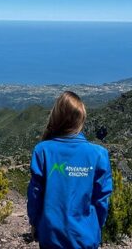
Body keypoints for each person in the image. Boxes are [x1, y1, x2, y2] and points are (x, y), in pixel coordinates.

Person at [27, 91, 113, 249]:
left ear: (56, 116)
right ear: (81, 120)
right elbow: (102, 201)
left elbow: (35, 196)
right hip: (85, 238)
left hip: (51, 237)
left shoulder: (43, 151)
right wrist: (94, 229)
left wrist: (35, 224)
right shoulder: (99, 155)